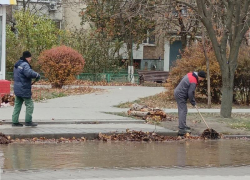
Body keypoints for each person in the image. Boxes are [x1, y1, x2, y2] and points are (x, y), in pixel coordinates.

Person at [12, 51, 40, 127]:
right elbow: (29, 73)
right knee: (30, 104)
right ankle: (28, 121)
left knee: (17, 105)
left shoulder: (18, 64)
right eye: (30, 58)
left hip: (17, 88)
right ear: (27, 57)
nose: (30, 59)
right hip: (24, 88)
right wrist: (37, 75)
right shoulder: (25, 65)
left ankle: (14, 122)